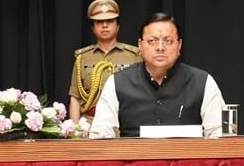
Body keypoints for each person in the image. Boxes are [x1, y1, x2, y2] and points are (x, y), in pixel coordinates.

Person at [89, 13, 224, 138]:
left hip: (188, 155)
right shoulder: (117, 83)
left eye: (168, 41)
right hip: (134, 155)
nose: (160, 47)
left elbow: (219, 134)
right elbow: (100, 134)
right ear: (140, 45)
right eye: (152, 41)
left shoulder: (202, 82)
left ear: (179, 45)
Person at [68, 0, 141, 123]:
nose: (105, 25)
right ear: (93, 28)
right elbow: (75, 98)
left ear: (118, 26)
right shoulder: (82, 58)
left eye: (110, 21)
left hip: (124, 122)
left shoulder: (134, 56)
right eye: (99, 22)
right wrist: (75, 129)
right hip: (90, 123)